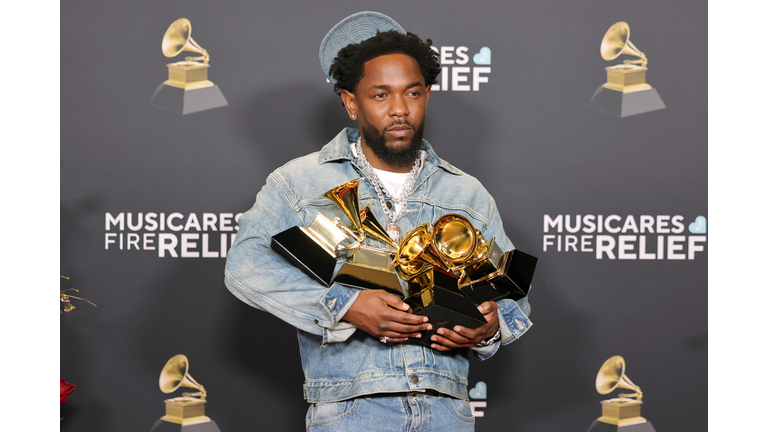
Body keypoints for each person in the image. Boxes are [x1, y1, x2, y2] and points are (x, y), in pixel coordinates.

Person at [225, 11, 532, 431]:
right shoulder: (298, 182)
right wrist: (346, 306)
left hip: (447, 413)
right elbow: (245, 265)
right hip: (352, 411)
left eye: (413, 93)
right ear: (352, 103)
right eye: (381, 95)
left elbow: (512, 295)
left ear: (427, 96)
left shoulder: (466, 193)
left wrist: (489, 328)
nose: (400, 109)